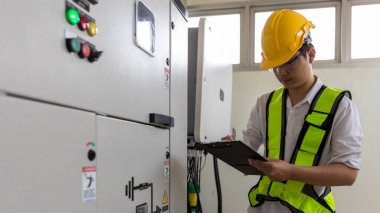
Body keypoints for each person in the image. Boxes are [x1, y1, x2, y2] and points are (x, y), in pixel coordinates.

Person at [223, 9, 363, 213]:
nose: (282, 73)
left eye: (289, 62)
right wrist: (233, 148)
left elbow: (348, 173)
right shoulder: (265, 103)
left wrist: (290, 172)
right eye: (275, 66)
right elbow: (249, 149)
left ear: (311, 54)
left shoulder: (340, 106)